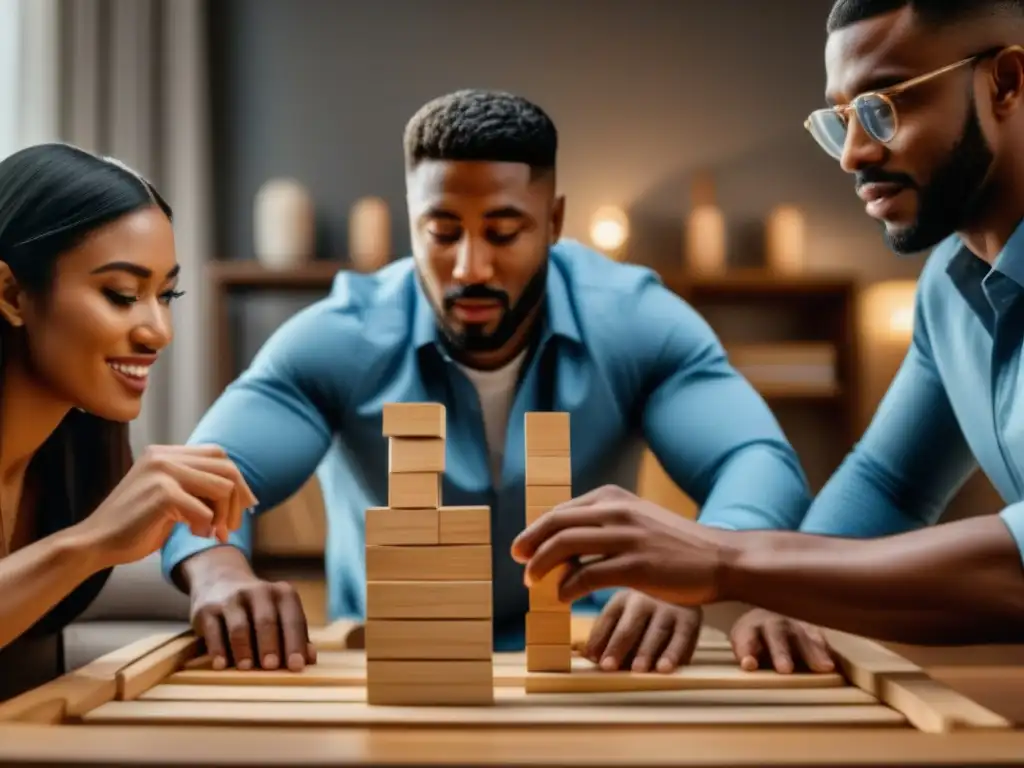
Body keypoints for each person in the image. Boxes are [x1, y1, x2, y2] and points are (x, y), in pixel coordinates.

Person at [159, 88, 814, 675]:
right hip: (384, 664)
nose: (471, 267)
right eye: (442, 232)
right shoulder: (339, 336)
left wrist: (693, 569)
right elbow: (205, 478)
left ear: (554, 223)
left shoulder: (637, 321)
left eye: (503, 232)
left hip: (595, 663)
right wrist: (217, 572)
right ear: (412, 220)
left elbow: (756, 460)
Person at [510, 0, 1024, 665]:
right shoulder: (947, 286)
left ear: (1006, 83)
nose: (853, 154)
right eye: (841, 119)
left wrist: (725, 559)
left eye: (881, 108)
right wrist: (790, 603)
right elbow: (888, 483)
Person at [0, 143, 252, 700]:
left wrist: (218, 569)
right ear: (12, 293)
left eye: (167, 295)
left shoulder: (81, 452)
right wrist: (89, 542)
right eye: (121, 295)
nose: (158, 331)